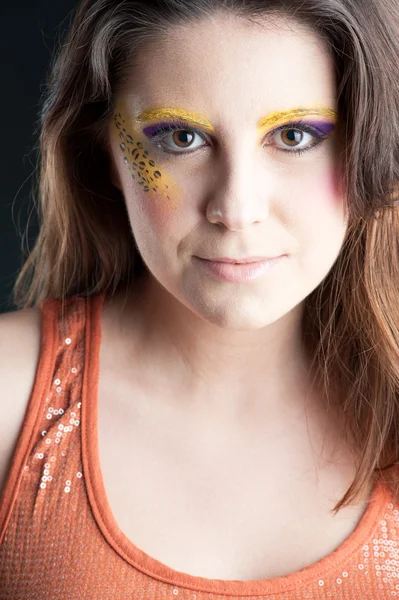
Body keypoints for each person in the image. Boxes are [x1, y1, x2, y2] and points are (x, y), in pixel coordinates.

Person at [0, 0, 398, 597]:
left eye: (294, 136)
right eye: (181, 137)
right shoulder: (9, 395)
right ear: (109, 152)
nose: (236, 208)